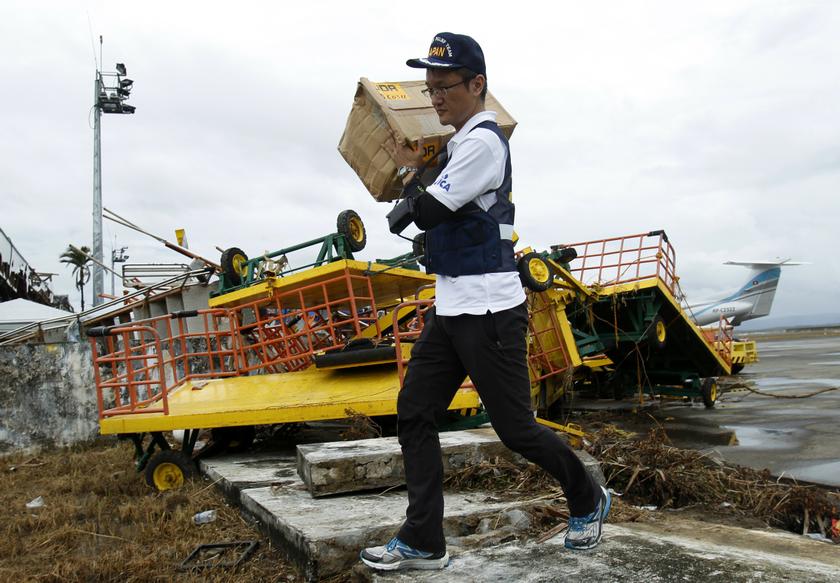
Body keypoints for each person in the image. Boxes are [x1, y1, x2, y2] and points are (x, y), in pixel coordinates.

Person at [361, 32, 610, 572]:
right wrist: (416, 172)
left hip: (491, 310)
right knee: (415, 413)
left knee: (515, 429)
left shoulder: (483, 143)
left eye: (444, 86)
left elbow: (422, 213)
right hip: (452, 307)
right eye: (429, 89)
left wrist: (410, 176)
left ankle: (588, 497)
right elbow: (429, 204)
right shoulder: (456, 146)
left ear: (477, 85)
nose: (435, 98)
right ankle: (424, 540)